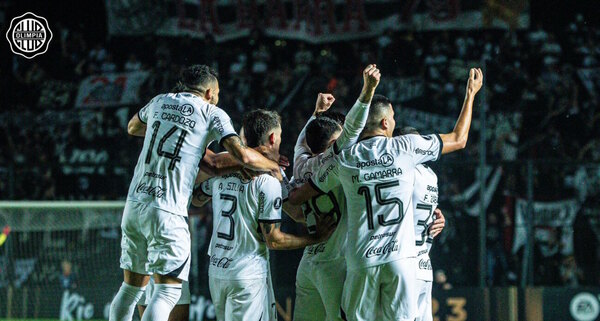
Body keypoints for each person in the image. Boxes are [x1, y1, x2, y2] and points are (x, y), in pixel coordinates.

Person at [290, 68, 483, 321]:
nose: (394, 121)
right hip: (399, 261)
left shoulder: (345, 159)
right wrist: (470, 94)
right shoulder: (405, 147)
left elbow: (299, 195)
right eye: (393, 117)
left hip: (360, 262)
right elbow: (459, 139)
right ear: (385, 123)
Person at [109, 64, 281, 321]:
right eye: (219, 93)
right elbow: (242, 155)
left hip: (134, 204)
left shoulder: (160, 101)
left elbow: (133, 127)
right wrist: (272, 165)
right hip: (167, 210)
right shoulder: (212, 112)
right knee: (167, 292)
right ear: (210, 92)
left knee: (131, 288)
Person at [192, 109, 336, 321]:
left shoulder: (222, 166)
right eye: (279, 136)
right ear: (272, 138)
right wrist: (315, 237)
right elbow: (275, 239)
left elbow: (196, 199)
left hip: (217, 271)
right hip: (247, 274)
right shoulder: (268, 179)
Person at [292, 64, 380, 321]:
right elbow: (351, 129)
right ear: (333, 144)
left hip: (308, 263)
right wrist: (367, 92)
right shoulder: (333, 163)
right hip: (335, 263)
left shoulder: (300, 163)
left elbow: (301, 142)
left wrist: (315, 114)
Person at [399, 126, 445, 321]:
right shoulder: (431, 175)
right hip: (424, 262)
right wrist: (440, 219)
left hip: (402, 260)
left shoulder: (404, 170)